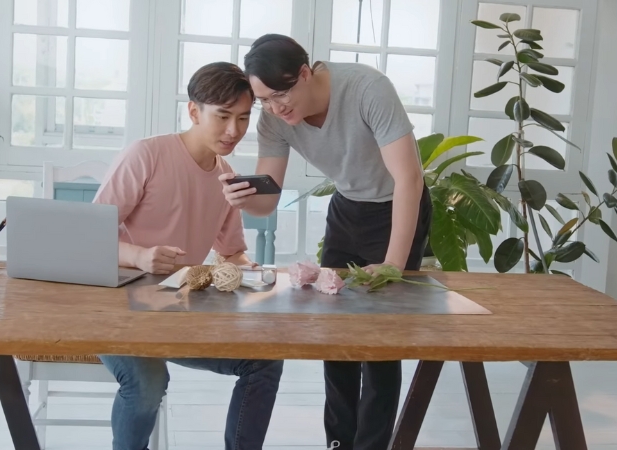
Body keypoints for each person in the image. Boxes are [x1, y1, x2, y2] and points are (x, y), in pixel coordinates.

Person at [220, 34, 433, 450]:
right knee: (334, 331)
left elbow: (409, 178)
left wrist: (392, 263)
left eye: (279, 95)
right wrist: (242, 197)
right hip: (347, 207)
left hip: (398, 206)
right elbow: (268, 200)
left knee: (380, 341)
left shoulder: (367, 89)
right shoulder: (274, 119)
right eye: (263, 100)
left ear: (304, 74)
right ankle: (339, 442)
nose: (276, 108)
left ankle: (371, 445)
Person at [92, 62, 283, 450]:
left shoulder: (227, 177)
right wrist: (140, 256)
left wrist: (260, 274)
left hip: (173, 315)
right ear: (194, 111)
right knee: (147, 382)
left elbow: (232, 255)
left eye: (244, 118)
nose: (234, 131)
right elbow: (87, 238)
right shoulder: (145, 155)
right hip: (116, 315)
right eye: (223, 116)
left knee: (265, 361)